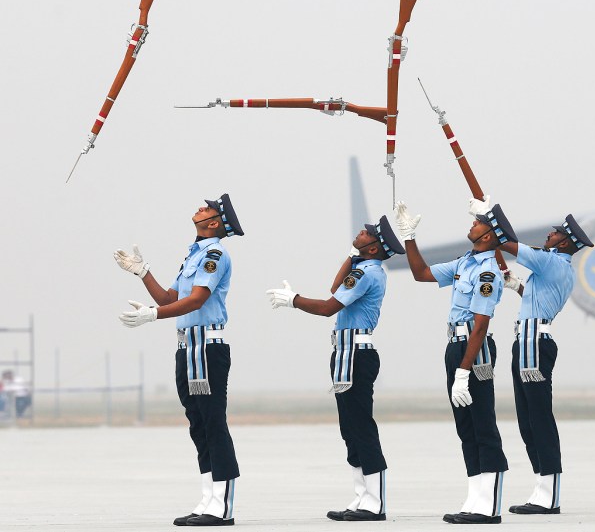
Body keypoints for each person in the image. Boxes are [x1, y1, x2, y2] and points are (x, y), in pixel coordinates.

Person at [265, 215, 406, 522]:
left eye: (366, 234)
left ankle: (375, 501)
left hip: (356, 353)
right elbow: (335, 288)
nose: (360, 232)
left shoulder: (367, 273)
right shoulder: (363, 267)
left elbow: (329, 306)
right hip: (346, 351)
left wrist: (294, 300)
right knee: (349, 429)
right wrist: (352, 255)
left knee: (361, 427)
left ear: (373, 248)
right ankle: (362, 496)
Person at [115, 193, 244, 527]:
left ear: (214, 223)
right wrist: (143, 272)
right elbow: (170, 297)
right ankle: (207, 499)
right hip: (187, 348)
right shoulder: (194, 255)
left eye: (207, 209)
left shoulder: (215, 254)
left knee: (213, 422)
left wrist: (153, 316)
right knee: (198, 423)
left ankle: (223, 505)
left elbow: (197, 301)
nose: (200, 209)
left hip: (207, 347)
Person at [395, 199, 514, 525]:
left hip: (474, 352)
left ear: (489, 236)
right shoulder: (466, 262)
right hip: (455, 345)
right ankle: (474, 499)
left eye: (478, 223)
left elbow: (481, 324)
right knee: (467, 428)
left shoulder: (488, 271)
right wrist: (409, 237)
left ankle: (489, 506)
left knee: (483, 425)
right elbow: (421, 274)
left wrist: (464, 370)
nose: (472, 224)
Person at [484, 205, 593, 515]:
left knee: (539, 418)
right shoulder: (552, 267)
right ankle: (541, 487)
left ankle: (550, 492)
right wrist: (517, 285)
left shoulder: (550, 262)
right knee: (527, 420)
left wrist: (491, 215)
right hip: (527, 340)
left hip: (535, 343)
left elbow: (506, 242)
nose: (549, 233)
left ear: (564, 242)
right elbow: (536, 300)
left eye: (556, 232)